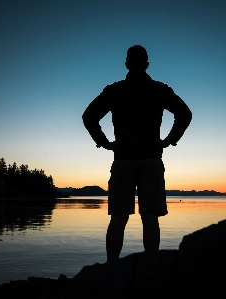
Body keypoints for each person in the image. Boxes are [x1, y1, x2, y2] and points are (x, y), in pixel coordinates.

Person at [82, 45, 192, 261]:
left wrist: (104, 143)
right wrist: (169, 141)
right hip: (151, 158)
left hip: (123, 159)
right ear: (147, 65)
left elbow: (89, 116)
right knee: (150, 215)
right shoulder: (159, 89)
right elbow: (185, 114)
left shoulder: (115, 90)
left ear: (126, 65)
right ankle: (151, 267)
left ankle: (111, 268)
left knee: (118, 217)